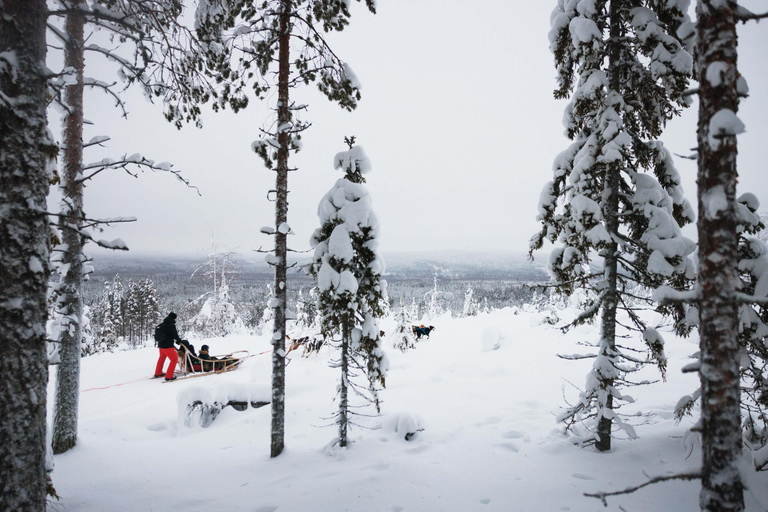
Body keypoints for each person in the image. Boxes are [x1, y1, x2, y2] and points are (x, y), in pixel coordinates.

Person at [154, 312, 183, 381]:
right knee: (174, 359)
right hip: (168, 346)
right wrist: (179, 341)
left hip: (161, 345)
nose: (176, 320)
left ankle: (158, 373)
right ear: (174, 318)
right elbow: (174, 335)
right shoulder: (171, 325)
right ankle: (169, 376)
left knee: (161, 358)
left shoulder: (162, 324)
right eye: (176, 318)